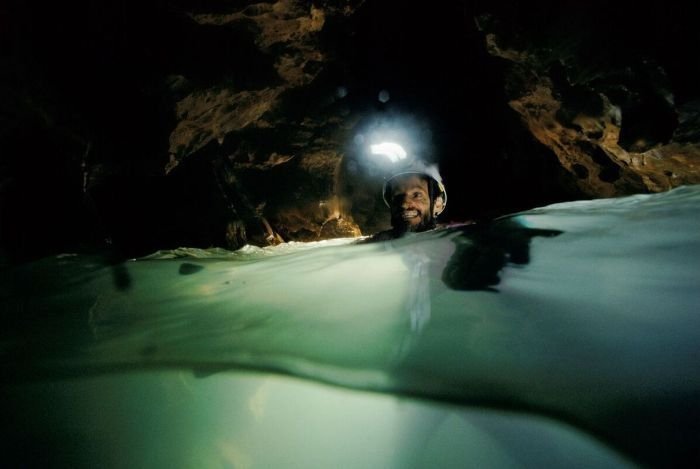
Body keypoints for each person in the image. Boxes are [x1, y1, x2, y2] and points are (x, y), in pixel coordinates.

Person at [366, 161, 447, 242]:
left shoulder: (449, 241)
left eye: (417, 195)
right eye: (398, 197)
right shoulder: (375, 243)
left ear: (438, 205)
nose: (404, 204)